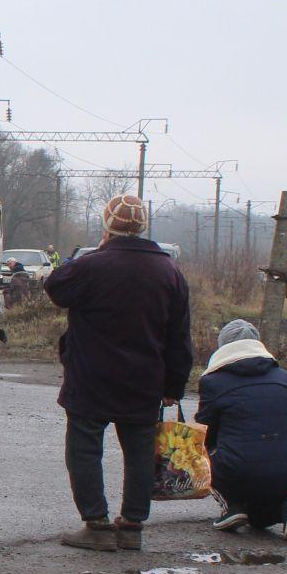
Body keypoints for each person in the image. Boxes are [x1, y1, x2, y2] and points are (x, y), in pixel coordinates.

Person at [44, 193, 193, 552]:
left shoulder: (92, 265)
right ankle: (131, 526)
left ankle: (95, 524)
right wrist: (174, 384)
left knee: (84, 450)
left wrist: (93, 252)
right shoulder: (169, 270)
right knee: (140, 453)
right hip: (144, 380)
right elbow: (179, 335)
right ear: (143, 227)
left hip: (91, 376)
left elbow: (55, 287)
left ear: (107, 225)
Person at [196, 319, 287, 540]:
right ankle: (283, 508)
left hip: (238, 471)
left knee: (203, 454)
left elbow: (205, 432)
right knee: (260, 521)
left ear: (223, 346)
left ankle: (233, 506)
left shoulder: (213, 382)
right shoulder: (283, 377)